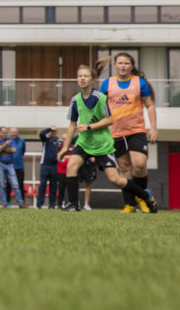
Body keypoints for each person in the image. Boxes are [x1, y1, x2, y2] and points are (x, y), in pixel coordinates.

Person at [58, 63, 157, 213]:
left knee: (115, 180)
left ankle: (145, 195)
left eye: (86, 76)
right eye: (80, 76)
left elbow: (109, 120)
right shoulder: (75, 100)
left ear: (92, 80)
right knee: (71, 166)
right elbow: (72, 124)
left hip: (102, 144)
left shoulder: (100, 98)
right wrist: (65, 147)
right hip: (84, 142)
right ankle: (73, 204)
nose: (82, 79)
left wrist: (90, 127)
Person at [99, 53, 157, 213]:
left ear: (131, 66)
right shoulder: (107, 83)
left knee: (139, 164)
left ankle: (143, 199)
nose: (123, 66)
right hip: (115, 133)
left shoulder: (140, 83)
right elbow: (100, 108)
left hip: (136, 131)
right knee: (124, 169)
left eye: (126, 63)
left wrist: (153, 128)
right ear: (115, 66)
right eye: (120, 63)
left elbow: (150, 105)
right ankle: (130, 205)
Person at [0, 126, 26, 208]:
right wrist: (5, 146)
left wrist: (2, 148)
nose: (5, 134)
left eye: (6, 132)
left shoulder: (10, 140)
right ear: (0, 133)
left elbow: (14, 150)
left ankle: (20, 203)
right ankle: (4, 203)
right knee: (2, 185)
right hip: (0, 164)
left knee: (15, 184)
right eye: (3, 132)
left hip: (10, 164)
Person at [36, 125, 60, 209]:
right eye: (52, 131)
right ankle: (39, 204)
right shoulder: (46, 139)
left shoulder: (59, 141)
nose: (53, 133)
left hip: (55, 166)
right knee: (42, 185)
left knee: (53, 187)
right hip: (45, 165)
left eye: (55, 131)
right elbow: (41, 133)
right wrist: (49, 128)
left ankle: (52, 205)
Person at [3, 127, 27, 206]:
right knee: (8, 185)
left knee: (20, 185)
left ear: (17, 132)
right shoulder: (7, 141)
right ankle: (7, 203)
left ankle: (21, 203)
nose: (14, 133)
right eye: (13, 132)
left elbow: (23, 152)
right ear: (10, 132)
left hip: (19, 166)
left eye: (15, 132)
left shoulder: (22, 141)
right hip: (9, 166)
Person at [55, 133, 72, 209]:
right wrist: (67, 157)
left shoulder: (72, 147)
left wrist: (66, 157)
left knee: (70, 189)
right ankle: (59, 204)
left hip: (70, 171)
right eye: (63, 139)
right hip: (61, 171)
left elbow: (74, 157)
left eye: (66, 139)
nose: (65, 141)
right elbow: (59, 158)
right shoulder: (59, 147)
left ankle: (70, 203)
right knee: (61, 188)